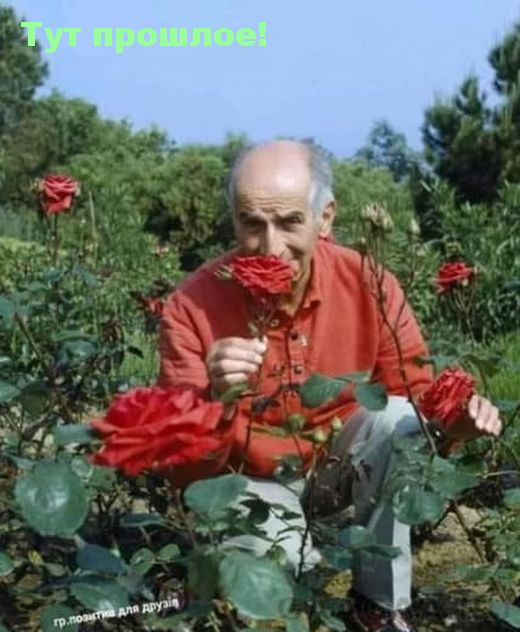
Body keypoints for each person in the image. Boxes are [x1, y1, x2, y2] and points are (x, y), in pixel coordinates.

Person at [157, 140, 502, 632]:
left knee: (399, 419)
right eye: (252, 223)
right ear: (234, 220)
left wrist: (453, 427)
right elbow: (185, 473)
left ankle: (378, 606)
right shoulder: (192, 306)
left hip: (339, 464)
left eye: (290, 222)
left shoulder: (368, 282)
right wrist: (215, 401)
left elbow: (419, 400)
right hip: (249, 479)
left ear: (326, 218)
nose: (271, 246)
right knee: (278, 568)